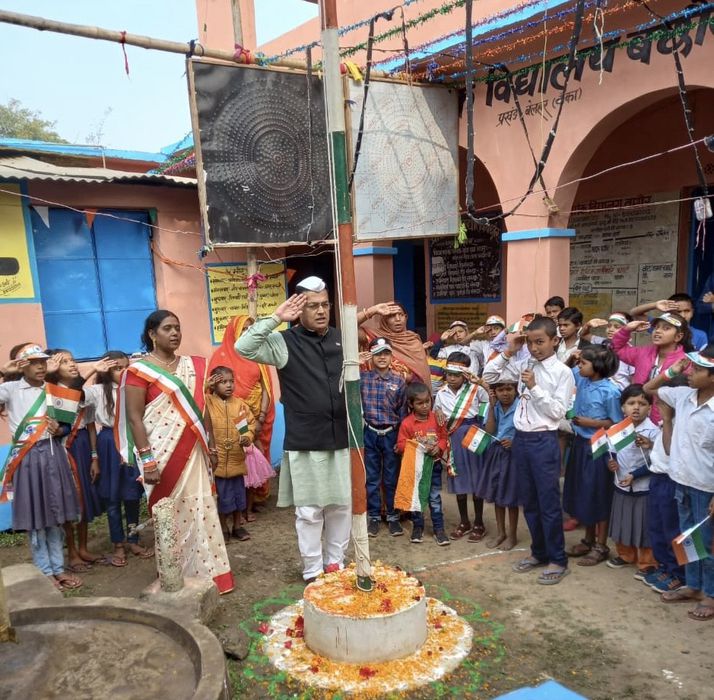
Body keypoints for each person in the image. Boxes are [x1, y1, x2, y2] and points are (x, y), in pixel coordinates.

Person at [234, 278, 354, 584]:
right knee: (311, 511)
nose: (321, 311)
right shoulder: (284, 343)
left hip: (341, 438)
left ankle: (335, 564)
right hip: (306, 442)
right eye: (312, 306)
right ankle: (313, 570)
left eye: (325, 304)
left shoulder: (340, 338)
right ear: (298, 309)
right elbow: (243, 347)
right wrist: (276, 318)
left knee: (341, 506)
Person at [119, 310, 234, 594]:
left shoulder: (195, 365)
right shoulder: (138, 371)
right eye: (168, 328)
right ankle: (175, 573)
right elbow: (134, 417)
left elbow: (202, 409)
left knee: (201, 506)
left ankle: (211, 573)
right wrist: (146, 459)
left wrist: (212, 444)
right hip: (160, 451)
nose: (175, 333)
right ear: (152, 334)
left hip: (195, 449)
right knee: (169, 513)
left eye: (178, 328)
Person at [484, 316, 575, 585]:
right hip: (521, 440)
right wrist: (510, 350)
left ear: (554, 341)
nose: (534, 348)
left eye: (540, 342)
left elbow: (558, 412)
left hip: (543, 440)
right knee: (529, 502)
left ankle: (558, 559)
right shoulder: (524, 363)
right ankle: (539, 552)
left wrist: (534, 388)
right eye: (531, 342)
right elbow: (488, 376)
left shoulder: (562, 373)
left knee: (548, 503)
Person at [0, 344, 82, 591]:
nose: (39, 366)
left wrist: (60, 430)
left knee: (56, 514)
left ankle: (58, 569)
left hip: (54, 455)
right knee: (37, 516)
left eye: (42, 362)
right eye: (34, 362)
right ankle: (44, 572)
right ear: (22, 365)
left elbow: (67, 425)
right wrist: (4, 371)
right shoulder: (10, 389)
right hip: (28, 458)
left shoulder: (56, 390)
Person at [644, 348, 714, 621]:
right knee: (687, 537)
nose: (689, 372)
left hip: (706, 486)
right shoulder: (683, 396)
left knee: (707, 543)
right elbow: (648, 387)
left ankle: (710, 593)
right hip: (680, 480)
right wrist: (671, 371)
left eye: (697, 370)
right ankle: (693, 585)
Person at [85, 351, 152, 567]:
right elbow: (73, 397)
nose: (123, 372)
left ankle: (133, 539)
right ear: (106, 371)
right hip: (108, 442)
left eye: (126, 367)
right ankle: (118, 544)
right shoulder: (96, 391)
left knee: (132, 494)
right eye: (116, 368)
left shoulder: (134, 388)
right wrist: (92, 370)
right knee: (112, 497)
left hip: (131, 440)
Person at [208, 314, 275, 516]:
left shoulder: (258, 355)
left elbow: (266, 389)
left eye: (250, 329)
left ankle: (254, 500)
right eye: (243, 329)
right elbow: (210, 392)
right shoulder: (220, 357)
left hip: (257, 416)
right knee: (238, 459)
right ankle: (239, 507)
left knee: (257, 458)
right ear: (233, 332)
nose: (247, 333)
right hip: (232, 418)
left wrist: (261, 416)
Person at [563, 346, 623, 566]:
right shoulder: (583, 380)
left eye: (584, 363)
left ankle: (601, 544)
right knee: (582, 492)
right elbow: (564, 370)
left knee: (598, 494)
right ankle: (587, 540)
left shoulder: (611, 391)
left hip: (598, 447)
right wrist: (573, 357)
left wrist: (591, 423)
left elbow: (616, 422)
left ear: (597, 366)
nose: (580, 366)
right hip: (579, 444)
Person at [45, 349, 104, 571]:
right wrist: (91, 371)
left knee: (84, 500)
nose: (72, 364)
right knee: (70, 500)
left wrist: (94, 457)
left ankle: (83, 548)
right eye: (65, 361)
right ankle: (71, 553)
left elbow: (90, 426)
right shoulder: (50, 393)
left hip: (82, 448)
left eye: (73, 360)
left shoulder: (84, 394)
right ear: (53, 368)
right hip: (62, 450)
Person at [434, 352, 490, 543]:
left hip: (473, 434)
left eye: (456, 374)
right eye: (449, 373)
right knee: (458, 481)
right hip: (453, 438)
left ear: (465, 374)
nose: (451, 377)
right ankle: (464, 521)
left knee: (476, 482)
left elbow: (491, 399)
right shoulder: (441, 394)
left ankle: (479, 523)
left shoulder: (476, 389)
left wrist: (480, 382)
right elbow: (437, 415)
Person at [605, 385, 659, 578]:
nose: (636, 407)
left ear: (650, 408)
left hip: (643, 487)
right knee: (623, 521)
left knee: (644, 524)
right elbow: (610, 452)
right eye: (631, 403)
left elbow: (657, 460)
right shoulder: (616, 430)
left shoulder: (653, 432)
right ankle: (625, 554)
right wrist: (610, 463)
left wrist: (636, 474)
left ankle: (647, 561)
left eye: (642, 404)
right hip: (620, 483)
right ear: (622, 407)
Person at [640, 384, 686, 594]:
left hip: (671, 480)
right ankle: (664, 567)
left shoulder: (679, 423)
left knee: (672, 530)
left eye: (663, 400)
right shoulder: (663, 423)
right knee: (656, 527)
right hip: (657, 478)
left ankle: (679, 573)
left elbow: (671, 450)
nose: (657, 403)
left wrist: (667, 420)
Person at [360, 337, 407, 538]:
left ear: (391, 356)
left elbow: (403, 412)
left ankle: (393, 517)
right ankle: (373, 517)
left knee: (390, 478)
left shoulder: (399, 381)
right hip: (369, 433)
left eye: (385, 353)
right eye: (377, 353)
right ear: (370, 356)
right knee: (371, 478)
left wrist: (401, 439)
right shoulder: (362, 378)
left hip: (391, 434)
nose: (381, 357)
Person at [611, 312, 691, 424]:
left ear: (678, 336)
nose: (657, 331)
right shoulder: (643, 352)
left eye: (666, 328)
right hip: (638, 419)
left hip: (666, 421)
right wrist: (627, 329)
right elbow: (617, 349)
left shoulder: (685, 362)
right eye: (656, 327)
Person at [205, 365, 256, 542]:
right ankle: (223, 528)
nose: (229, 386)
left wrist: (247, 436)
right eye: (223, 382)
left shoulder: (239, 405)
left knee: (238, 496)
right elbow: (193, 400)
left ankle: (237, 526)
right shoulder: (208, 402)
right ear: (213, 385)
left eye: (231, 382)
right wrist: (205, 385)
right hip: (217, 460)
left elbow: (248, 425)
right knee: (221, 496)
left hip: (235, 458)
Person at [396, 382, 449, 546]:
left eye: (428, 401)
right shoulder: (407, 423)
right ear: (411, 404)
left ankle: (439, 529)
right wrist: (419, 447)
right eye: (420, 403)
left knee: (434, 498)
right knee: (417, 498)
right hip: (416, 469)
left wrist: (438, 448)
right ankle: (417, 527)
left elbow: (444, 438)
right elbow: (400, 445)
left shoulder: (437, 418)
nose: (425, 406)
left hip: (434, 466)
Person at [477, 381, 520, 550]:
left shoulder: (521, 406)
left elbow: (526, 430)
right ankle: (501, 533)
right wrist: (491, 406)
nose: (505, 393)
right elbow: (489, 430)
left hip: (514, 455)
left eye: (509, 389)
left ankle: (513, 535)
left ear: (515, 391)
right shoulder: (494, 407)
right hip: (496, 453)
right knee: (497, 494)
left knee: (511, 497)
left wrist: (514, 442)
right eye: (500, 390)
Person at [358, 301, 430, 384]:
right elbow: (348, 325)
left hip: (409, 394)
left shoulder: (413, 340)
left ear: (406, 317)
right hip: (377, 391)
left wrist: (405, 377)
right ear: (384, 319)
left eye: (401, 315)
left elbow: (423, 375)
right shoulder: (373, 336)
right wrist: (372, 311)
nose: (398, 319)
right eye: (392, 316)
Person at [630, 294, 708, 350]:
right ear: (669, 313)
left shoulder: (700, 335)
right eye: (678, 311)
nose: (683, 315)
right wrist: (655, 305)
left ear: (693, 312)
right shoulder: (660, 328)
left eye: (687, 311)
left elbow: (702, 362)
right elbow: (634, 313)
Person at [580, 312, 635, 390]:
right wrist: (588, 325)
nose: (611, 329)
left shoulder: (631, 352)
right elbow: (583, 334)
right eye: (609, 326)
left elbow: (634, 379)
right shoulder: (603, 342)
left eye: (616, 327)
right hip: (600, 391)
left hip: (619, 393)